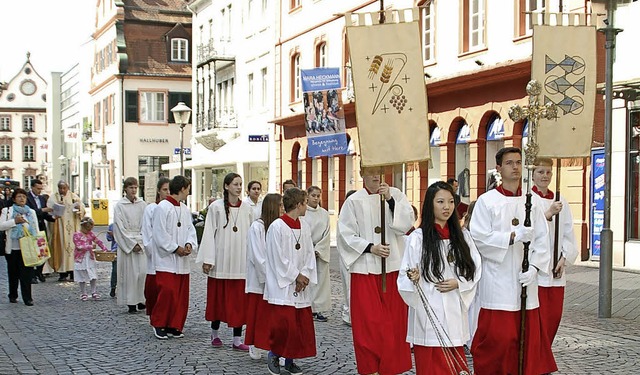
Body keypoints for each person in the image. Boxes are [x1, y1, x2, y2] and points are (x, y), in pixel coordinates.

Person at [469, 147, 556, 375]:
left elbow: (542, 239)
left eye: (518, 162)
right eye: (509, 163)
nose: (515, 167)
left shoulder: (533, 201)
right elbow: (478, 238)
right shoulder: (487, 202)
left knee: (525, 338)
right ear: (498, 168)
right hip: (498, 281)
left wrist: (536, 267)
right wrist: (511, 237)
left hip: (526, 281)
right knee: (501, 338)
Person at [397, 181, 481, 375]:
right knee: (431, 365)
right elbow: (406, 273)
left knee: (455, 364)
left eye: (451, 202)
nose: (447, 207)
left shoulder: (462, 236)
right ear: (430, 205)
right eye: (441, 201)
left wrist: (459, 283)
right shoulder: (418, 238)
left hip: (453, 309)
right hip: (428, 312)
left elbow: (475, 267)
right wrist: (414, 277)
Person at [337, 169, 414, 375]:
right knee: (368, 324)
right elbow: (345, 234)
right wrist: (370, 247)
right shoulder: (353, 201)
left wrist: (389, 200)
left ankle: (390, 368)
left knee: (392, 324)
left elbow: (407, 223)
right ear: (362, 173)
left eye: (379, 171)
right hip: (365, 269)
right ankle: (370, 368)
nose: (376, 176)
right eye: (371, 172)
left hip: (392, 268)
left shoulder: (396, 194)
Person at [197, 172, 253, 350]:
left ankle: (237, 339)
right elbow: (208, 234)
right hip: (221, 262)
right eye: (235, 184)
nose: (239, 187)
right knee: (218, 301)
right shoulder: (216, 208)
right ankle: (214, 334)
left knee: (239, 303)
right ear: (227, 186)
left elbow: (252, 235)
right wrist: (208, 259)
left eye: (240, 184)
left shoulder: (247, 209)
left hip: (240, 263)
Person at [264, 187, 317, 375]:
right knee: (283, 325)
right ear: (297, 204)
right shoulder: (277, 227)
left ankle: (290, 360)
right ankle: (274, 354)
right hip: (283, 285)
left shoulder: (305, 226)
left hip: (299, 284)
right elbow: (277, 258)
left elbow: (310, 253)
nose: (307, 207)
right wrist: (296, 275)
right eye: (305, 202)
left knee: (297, 326)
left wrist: (305, 275)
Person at [531, 158, 578, 346]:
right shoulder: (528, 199)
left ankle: (545, 354)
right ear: (532, 174)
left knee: (553, 316)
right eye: (540, 172)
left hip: (556, 269)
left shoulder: (560, 199)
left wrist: (564, 258)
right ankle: (536, 359)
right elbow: (528, 230)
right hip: (537, 270)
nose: (545, 176)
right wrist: (548, 214)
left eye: (548, 172)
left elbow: (568, 232)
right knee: (538, 317)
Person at [151, 175, 197, 340]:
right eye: (188, 188)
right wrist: (175, 248)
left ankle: (175, 325)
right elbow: (159, 233)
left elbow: (191, 230)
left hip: (182, 261)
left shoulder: (184, 209)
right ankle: (159, 323)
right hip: (167, 260)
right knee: (168, 292)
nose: (189, 192)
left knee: (180, 295)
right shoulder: (162, 207)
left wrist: (189, 244)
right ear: (183, 188)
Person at [245, 193, 283, 360]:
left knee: (272, 316)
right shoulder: (257, 227)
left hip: (275, 278)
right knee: (258, 314)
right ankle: (254, 343)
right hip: (261, 280)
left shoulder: (279, 226)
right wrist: (269, 277)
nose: (283, 208)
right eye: (280, 205)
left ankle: (272, 345)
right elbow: (258, 256)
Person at [113, 177, 147, 314]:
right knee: (130, 274)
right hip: (128, 243)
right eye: (131, 187)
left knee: (142, 273)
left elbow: (147, 225)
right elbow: (118, 228)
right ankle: (131, 302)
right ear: (125, 189)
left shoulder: (142, 204)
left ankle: (141, 299)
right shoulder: (120, 206)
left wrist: (142, 242)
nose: (133, 190)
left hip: (141, 240)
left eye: (135, 188)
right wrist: (132, 244)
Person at [0, 188, 39, 306]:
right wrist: (14, 222)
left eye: (24, 197)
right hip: (12, 247)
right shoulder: (7, 211)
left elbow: (36, 229)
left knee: (27, 273)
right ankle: (13, 295)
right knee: (13, 273)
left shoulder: (31, 212)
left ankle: (27, 298)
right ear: (14, 199)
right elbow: (1, 226)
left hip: (27, 247)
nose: (22, 199)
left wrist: (37, 244)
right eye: (19, 196)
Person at [141, 177, 171, 317]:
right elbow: (147, 232)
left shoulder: (175, 209)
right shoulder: (151, 209)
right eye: (165, 189)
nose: (167, 192)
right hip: (155, 255)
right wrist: (153, 252)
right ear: (159, 191)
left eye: (170, 190)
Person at [47, 180, 85, 281]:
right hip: (60, 228)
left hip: (73, 229)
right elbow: (49, 210)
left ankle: (73, 272)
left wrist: (79, 208)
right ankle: (62, 273)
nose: (62, 190)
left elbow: (82, 209)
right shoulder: (53, 197)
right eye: (60, 188)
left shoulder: (74, 197)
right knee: (62, 248)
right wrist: (56, 206)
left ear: (68, 188)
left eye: (64, 188)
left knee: (74, 249)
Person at [304, 186, 331, 322]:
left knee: (320, 281)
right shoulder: (303, 213)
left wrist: (318, 250)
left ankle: (318, 308)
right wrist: (309, 249)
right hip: (306, 250)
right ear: (307, 196)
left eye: (318, 196)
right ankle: (308, 307)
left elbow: (327, 234)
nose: (316, 198)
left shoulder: (324, 213)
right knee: (308, 280)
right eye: (313, 195)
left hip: (319, 251)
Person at [26, 178, 54, 283]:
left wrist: (53, 218)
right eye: (38, 189)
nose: (39, 191)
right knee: (33, 251)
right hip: (31, 227)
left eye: (41, 189)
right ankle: (32, 274)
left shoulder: (42, 199)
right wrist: (42, 210)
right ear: (32, 187)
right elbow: (29, 212)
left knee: (43, 251)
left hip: (41, 226)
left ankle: (39, 272)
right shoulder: (27, 198)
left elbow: (45, 214)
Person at [73, 217, 108, 301]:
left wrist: (104, 248)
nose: (89, 231)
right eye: (88, 229)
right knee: (81, 275)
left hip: (89, 257)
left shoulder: (90, 234)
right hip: (80, 258)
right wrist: (90, 246)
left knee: (93, 275)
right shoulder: (76, 235)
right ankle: (83, 293)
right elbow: (78, 246)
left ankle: (94, 291)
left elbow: (97, 241)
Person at [337, 189, 357, 326]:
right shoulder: (343, 219)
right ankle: (350, 313)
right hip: (348, 256)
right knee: (349, 286)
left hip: (359, 256)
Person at [106, 223, 118, 298]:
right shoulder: (112, 225)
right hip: (115, 251)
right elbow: (108, 238)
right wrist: (111, 235)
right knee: (115, 270)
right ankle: (113, 287)